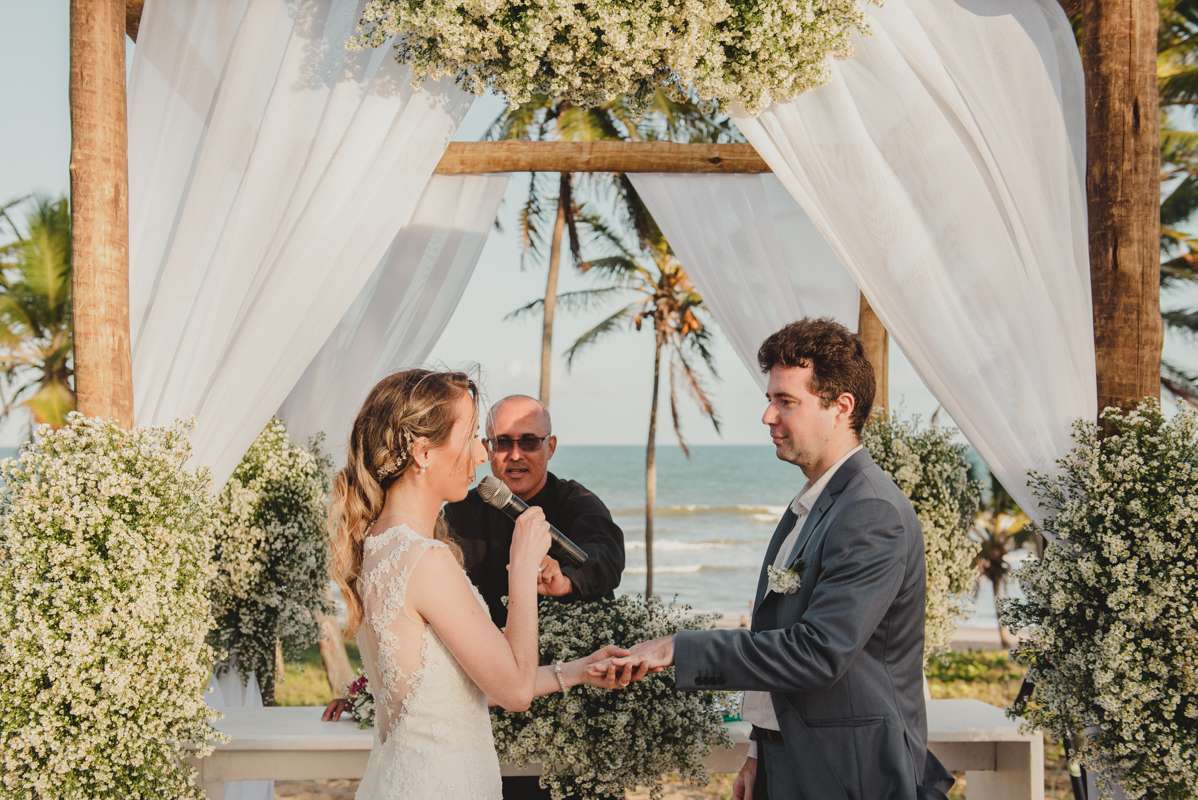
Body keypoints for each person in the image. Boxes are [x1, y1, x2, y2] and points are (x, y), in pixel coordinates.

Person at [592, 319, 954, 800]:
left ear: (840, 407)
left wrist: (678, 647)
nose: (767, 416)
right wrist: (761, 748)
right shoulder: (812, 504)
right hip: (789, 756)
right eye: (770, 399)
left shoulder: (871, 512)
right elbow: (775, 635)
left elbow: (818, 652)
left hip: (848, 770)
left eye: (786, 401)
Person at [324, 369, 647, 799]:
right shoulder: (429, 558)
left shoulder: (377, 543)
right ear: (422, 452)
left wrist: (579, 670)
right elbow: (513, 690)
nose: (482, 455)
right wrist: (522, 565)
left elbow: (460, 686)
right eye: (476, 437)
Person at [443, 394, 625, 628]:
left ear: (550, 447)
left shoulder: (578, 503)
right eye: (503, 443)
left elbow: (605, 554)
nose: (516, 455)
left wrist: (566, 581)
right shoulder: (458, 514)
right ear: (487, 448)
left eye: (529, 442)